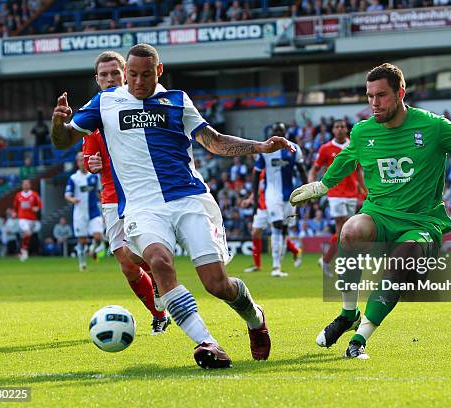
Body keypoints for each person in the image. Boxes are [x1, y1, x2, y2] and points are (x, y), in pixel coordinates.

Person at [51, 44, 294, 368]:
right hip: (141, 208)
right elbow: (64, 139)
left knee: (217, 285)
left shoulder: (177, 101)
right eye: (133, 75)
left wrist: (259, 146)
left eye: (144, 74)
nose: (137, 82)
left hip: (189, 199)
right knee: (159, 261)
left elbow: (215, 141)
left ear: (159, 71)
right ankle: (207, 343)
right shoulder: (105, 102)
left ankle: (254, 317)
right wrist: (58, 122)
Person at [289, 63, 451, 360]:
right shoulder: (362, 131)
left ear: (400, 93)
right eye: (369, 96)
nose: (374, 103)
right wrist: (321, 186)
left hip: (422, 222)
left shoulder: (434, 127)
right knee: (351, 230)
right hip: (379, 214)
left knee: (400, 262)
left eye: (381, 95)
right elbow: (345, 160)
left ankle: (360, 338)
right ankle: (347, 313)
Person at [80, 50, 170, 335]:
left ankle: (160, 277)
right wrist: (91, 163)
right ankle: (159, 313)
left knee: (138, 254)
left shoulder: (143, 105)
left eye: (114, 74)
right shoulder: (95, 111)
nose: (109, 79)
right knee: (127, 265)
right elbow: (88, 155)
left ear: (126, 74)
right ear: (97, 79)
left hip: (141, 193)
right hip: (110, 197)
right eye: (103, 75)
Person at [309, 119, 367, 276]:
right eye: (337, 126)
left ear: (347, 129)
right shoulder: (325, 148)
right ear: (333, 130)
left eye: (342, 126)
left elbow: (359, 170)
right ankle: (344, 264)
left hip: (352, 193)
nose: (340, 129)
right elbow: (315, 169)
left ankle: (327, 260)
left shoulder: (353, 146)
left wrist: (364, 189)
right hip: (334, 193)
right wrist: (312, 186)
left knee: (347, 230)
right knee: (342, 227)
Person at [252, 122, 307, 277]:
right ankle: (275, 266)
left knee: (284, 229)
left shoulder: (294, 149)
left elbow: (302, 170)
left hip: (290, 195)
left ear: (285, 132)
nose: (278, 133)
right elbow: (256, 174)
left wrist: (308, 191)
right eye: (275, 130)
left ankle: (279, 265)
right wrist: (255, 196)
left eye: (280, 131)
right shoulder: (264, 150)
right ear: (272, 132)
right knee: (276, 225)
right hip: (272, 194)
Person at [242, 168, 302, 273]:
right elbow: (259, 188)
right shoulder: (259, 170)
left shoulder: (271, 169)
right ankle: (257, 265)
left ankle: (293, 252)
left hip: (271, 206)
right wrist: (250, 200)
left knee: (277, 233)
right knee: (255, 233)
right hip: (261, 208)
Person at [65, 152, 104, 271]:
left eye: (84, 159)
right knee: (81, 241)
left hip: (93, 212)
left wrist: (103, 201)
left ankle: (92, 249)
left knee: (98, 236)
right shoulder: (74, 178)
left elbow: (99, 192)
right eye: (80, 160)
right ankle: (82, 263)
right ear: (77, 162)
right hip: (80, 213)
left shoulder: (94, 176)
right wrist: (73, 200)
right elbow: (67, 195)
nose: (83, 162)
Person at [13, 179, 42, 261]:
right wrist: (14, 212)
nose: (25, 186)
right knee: (27, 232)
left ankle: (24, 249)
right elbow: (15, 206)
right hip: (22, 218)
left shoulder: (34, 194)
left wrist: (36, 208)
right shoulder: (18, 195)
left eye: (27, 184)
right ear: (22, 185)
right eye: (24, 184)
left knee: (27, 235)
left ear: (30, 185)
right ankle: (23, 250)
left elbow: (39, 205)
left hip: (32, 219)